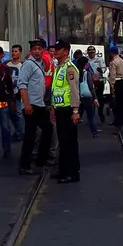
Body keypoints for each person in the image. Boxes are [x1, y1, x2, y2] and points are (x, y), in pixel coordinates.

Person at [18, 39, 54, 175]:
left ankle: (40, 160)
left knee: (48, 129)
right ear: (31, 51)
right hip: (31, 105)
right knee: (30, 135)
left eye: (40, 49)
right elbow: (22, 85)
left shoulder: (41, 63)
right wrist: (26, 104)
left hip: (40, 104)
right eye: (35, 49)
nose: (37, 51)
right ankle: (24, 165)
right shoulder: (28, 64)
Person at [50, 40, 82, 183]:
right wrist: (52, 107)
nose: (55, 51)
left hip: (68, 109)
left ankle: (71, 173)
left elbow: (74, 90)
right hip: (59, 109)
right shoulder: (59, 67)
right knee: (63, 142)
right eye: (55, 49)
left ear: (66, 51)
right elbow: (55, 89)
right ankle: (65, 170)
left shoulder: (70, 68)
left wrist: (75, 110)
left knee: (68, 142)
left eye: (59, 49)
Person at [75, 56, 99, 137]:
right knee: (91, 117)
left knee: (77, 115)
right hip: (87, 98)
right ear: (85, 64)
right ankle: (94, 132)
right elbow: (91, 87)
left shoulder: (76, 73)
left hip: (78, 98)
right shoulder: (87, 73)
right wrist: (95, 98)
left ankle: (73, 133)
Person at [6, 45, 25, 142]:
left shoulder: (23, 65)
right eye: (13, 51)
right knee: (10, 113)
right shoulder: (6, 65)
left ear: (20, 52)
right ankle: (18, 130)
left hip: (19, 93)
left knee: (19, 113)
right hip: (8, 93)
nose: (14, 53)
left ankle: (21, 132)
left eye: (16, 51)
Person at [108, 46, 123, 130]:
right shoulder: (122, 61)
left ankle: (117, 120)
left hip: (117, 82)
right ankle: (122, 120)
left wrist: (112, 86)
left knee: (117, 102)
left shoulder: (113, 62)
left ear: (112, 53)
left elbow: (112, 75)